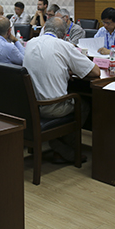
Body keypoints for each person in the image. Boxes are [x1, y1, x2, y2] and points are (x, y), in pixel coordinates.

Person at [23, 17, 100, 163]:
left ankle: (57, 144)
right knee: (83, 104)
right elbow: (95, 72)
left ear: (44, 28)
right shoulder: (64, 45)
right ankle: (64, 148)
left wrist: (63, 70)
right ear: (64, 35)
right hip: (51, 107)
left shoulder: (30, 43)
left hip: (30, 105)